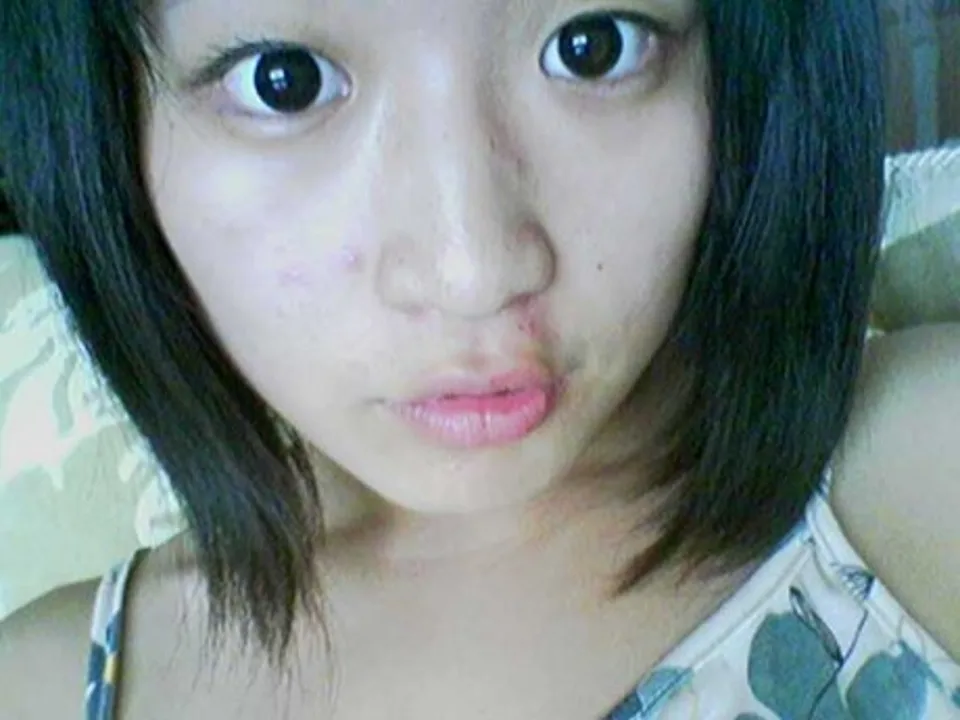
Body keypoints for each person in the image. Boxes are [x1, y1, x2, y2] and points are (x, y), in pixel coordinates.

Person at [1, 0, 958, 717]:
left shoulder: (920, 479)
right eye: (283, 80)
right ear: (109, 124)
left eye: (593, 46)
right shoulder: (44, 689)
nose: (474, 270)